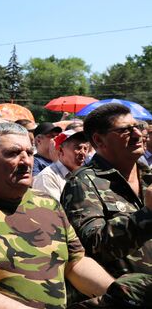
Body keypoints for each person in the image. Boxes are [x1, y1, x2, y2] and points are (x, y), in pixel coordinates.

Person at [0, 122, 116, 308]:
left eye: (29, 153)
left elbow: (75, 262)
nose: (26, 161)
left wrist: (119, 293)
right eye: (13, 153)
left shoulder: (48, 204)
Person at [61, 103, 152, 278]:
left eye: (138, 127)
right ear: (99, 140)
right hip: (118, 296)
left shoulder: (147, 175)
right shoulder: (82, 183)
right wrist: (147, 216)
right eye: (125, 130)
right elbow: (93, 246)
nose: (138, 134)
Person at [33, 129, 89, 201]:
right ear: (61, 150)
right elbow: (52, 210)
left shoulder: (85, 174)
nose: (83, 153)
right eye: (78, 148)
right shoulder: (47, 177)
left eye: (85, 149)